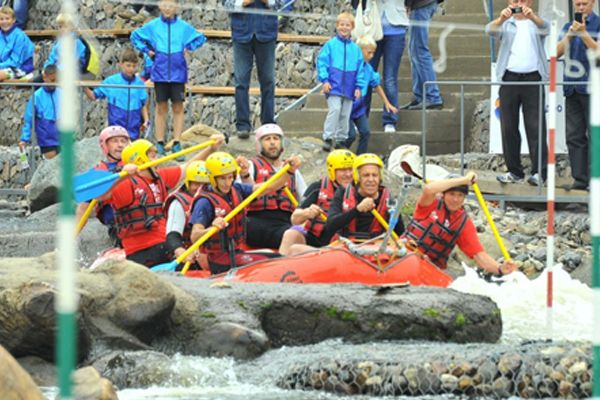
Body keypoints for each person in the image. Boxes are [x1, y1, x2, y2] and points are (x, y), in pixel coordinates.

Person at [99, 134, 224, 267]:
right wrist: (121, 177)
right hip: (142, 251)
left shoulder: (160, 177)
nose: (157, 160)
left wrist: (211, 149)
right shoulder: (126, 183)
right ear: (140, 159)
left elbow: (187, 168)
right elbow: (101, 196)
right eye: (152, 156)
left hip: (165, 243)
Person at [189, 151, 301, 274]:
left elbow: (268, 187)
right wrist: (211, 228)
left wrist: (289, 171)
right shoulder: (204, 202)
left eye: (230, 177)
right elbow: (195, 236)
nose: (227, 183)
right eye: (222, 178)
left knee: (276, 256)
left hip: (236, 252)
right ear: (212, 178)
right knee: (275, 260)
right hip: (220, 260)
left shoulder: (237, 189)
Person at [403, 172, 519, 276]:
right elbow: (428, 189)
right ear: (444, 194)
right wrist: (465, 180)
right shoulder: (430, 204)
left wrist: (500, 269)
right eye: (452, 194)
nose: (456, 199)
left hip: (429, 266)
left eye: (460, 195)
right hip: (405, 253)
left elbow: (479, 256)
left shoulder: (463, 223)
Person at [131, 0, 207, 156]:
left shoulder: (183, 26)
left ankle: (177, 142)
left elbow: (200, 38)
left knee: (178, 107)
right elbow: (135, 36)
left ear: (176, 6)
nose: (167, 8)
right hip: (159, 72)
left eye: (171, 4)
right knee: (161, 107)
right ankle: (159, 142)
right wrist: (148, 50)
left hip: (178, 73)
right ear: (159, 6)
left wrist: (188, 47)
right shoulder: (153, 26)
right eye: (164, 4)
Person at [486, 0, 549, 187]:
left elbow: (546, 28)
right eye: (514, 1)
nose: (518, 4)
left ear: (529, 2)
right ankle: (514, 171)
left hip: (533, 79)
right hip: (510, 78)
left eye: (521, 0)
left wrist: (532, 16)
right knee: (508, 127)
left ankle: (540, 172)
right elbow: (489, 31)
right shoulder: (506, 24)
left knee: (536, 127)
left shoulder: (535, 22)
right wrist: (501, 18)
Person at [279, 149, 356, 256]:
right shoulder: (317, 187)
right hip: (316, 240)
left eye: (351, 169)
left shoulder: (360, 191)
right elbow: (294, 219)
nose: (348, 174)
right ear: (332, 171)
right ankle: (280, 267)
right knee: (291, 234)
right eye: (343, 170)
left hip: (343, 244)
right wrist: (307, 213)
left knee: (296, 250)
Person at [224, 0, 283, 139]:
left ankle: (268, 124)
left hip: (266, 34)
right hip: (241, 35)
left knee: (268, 81)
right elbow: (226, 5)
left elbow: (281, 5)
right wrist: (243, 3)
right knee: (240, 82)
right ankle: (243, 126)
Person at [557, 0, 599, 191]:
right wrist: (570, 35)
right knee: (574, 135)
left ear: (593, 3)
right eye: (578, 4)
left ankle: (595, 179)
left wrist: (583, 34)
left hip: (592, 87)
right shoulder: (568, 26)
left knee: (594, 135)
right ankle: (580, 179)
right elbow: (555, 53)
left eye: (585, 4)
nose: (581, 8)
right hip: (571, 87)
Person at [245, 123, 307, 249]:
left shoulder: (293, 170)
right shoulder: (250, 166)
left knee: (301, 234)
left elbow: (305, 199)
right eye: (267, 139)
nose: (272, 143)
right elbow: (244, 193)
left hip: (284, 221)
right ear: (259, 144)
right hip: (256, 219)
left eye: (276, 138)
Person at [351, 0, 408, 133]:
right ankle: (360, 120)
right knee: (364, 78)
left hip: (396, 27)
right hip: (371, 28)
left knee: (390, 78)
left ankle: (390, 120)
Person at [316, 12, 366, 151]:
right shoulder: (331, 45)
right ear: (337, 26)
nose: (344, 27)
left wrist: (358, 86)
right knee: (335, 109)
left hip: (350, 87)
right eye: (341, 24)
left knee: (345, 113)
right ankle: (328, 137)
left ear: (352, 27)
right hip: (334, 84)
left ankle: (341, 139)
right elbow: (322, 62)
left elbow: (359, 69)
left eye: (347, 25)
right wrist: (325, 80)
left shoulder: (355, 49)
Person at [326, 153, 405, 240]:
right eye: (366, 175)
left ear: (380, 178)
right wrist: (357, 210)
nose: (371, 180)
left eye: (374, 175)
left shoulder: (389, 200)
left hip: (376, 249)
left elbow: (400, 233)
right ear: (358, 177)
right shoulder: (343, 193)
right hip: (348, 246)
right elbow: (330, 225)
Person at [75, 125, 131, 244]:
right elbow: (83, 209)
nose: (120, 145)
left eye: (123, 141)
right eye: (115, 141)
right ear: (105, 146)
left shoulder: (137, 165)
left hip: (142, 220)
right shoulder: (97, 174)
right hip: (117, 225)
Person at [344, 35, 398, 154]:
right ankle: (340, 151)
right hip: (346, 104)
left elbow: (376, 85)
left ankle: (360, 157)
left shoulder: (368, 69)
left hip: (358, 107)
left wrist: (387, 103)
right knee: (351, 135)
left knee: (365, 132)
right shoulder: (348, 65)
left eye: (373, 53)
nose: (372, 56)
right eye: (369, 53)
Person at [84, 48, 149, 141]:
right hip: (116, 131)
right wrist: (84, 87)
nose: (131, 69)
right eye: (128, 65)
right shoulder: (111, 81)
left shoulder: (140, 84)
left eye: (134, 66)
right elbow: (93, 96)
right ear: (121, 64)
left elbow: (143, 104)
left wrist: (146, 120)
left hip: (134, 132)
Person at [164, 160, 209, 265]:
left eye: (205, 184)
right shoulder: (178, 203)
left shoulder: (212, 198)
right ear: (188, 182)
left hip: (212, 252)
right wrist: (180, 251)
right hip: (190, 254)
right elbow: (172, 235)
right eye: (196, 183)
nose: (200, 189)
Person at [401, 0, 443, 110]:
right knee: (414, 51)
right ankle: (420, 96)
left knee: (419, 51)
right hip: (424, 4)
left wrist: (408, 4)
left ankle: (432, 96)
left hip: (421, 5)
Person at [19, 64, 60, 160]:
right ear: (45, 77)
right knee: (52, 170)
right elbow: (29, 119)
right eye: (52, 80)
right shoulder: (37, 96)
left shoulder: (61, 93)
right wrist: (24, 139)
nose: (55, 84)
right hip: (47, 140)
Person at [43, 13, 94, 79]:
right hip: (55, 71)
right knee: (38, 80)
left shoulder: (76, 42)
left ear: (72, 27)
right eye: (60, 27)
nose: (62, 29)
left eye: (65, 26)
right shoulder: (59, 42)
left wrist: (58, 71)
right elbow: (52, 58)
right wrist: (46, 68)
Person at [0, 5, 34, 81]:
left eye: (7, 19)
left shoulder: (20, 36)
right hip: (3, 67)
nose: (4, 22)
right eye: (1, 19)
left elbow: (16, 62)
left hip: (22, 68)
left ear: (13, 20)